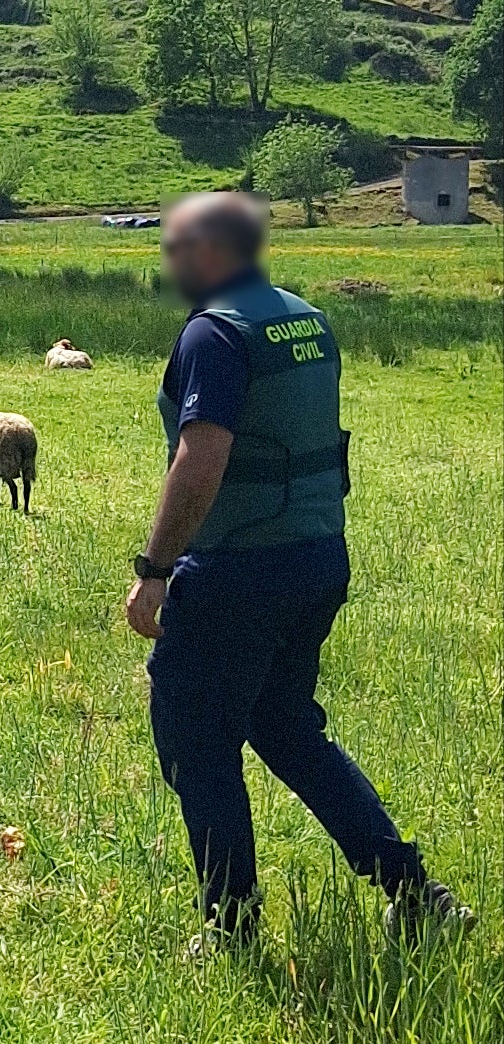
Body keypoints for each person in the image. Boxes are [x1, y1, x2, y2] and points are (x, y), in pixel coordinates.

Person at [124, 192, 474, 953]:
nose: (172, 263)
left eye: (178, 248)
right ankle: (415, 894)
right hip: (316, 557)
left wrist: (153, 568)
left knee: (196, 738)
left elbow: (201, 455)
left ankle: (230, 924)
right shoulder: (306, 319)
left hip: (236, 569)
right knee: (283, 725)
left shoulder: (214, 333)